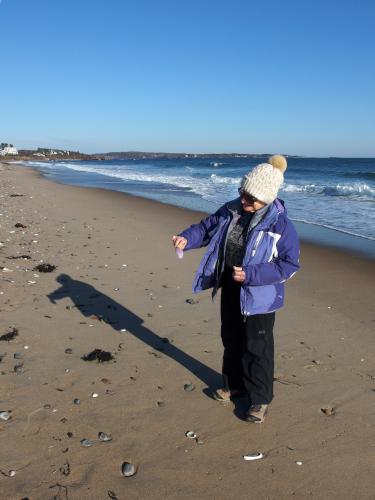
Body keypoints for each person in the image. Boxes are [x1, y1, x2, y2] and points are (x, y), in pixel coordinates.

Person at [172, 155, 300, 423]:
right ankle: (234, 385)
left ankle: (260, 399)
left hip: (260, 296)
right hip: (230, 284)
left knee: (257, 346)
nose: (244, 201)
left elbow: (289, 264)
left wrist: (252, 274)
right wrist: (187, 238)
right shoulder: (231, 210)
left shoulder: (280, 224)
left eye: (251, 198)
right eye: (243, 193)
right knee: (231, 338)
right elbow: (206, 228)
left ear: (266, 199)